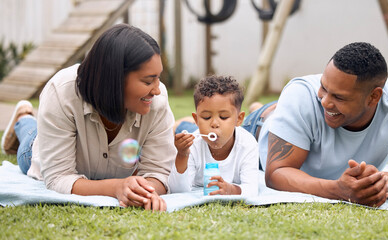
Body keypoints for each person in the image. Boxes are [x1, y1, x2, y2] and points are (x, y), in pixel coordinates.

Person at [0, 24, 176, 211]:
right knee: (29, 141)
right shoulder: (60, 93)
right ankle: (23, 116)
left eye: (158, 78)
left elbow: (158, 172)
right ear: (114, 78)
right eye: (148, 81)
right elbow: (58, 177)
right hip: (37, 152)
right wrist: (117, 187)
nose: (157, 90)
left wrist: (143, 192)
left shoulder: (158, 101)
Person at [251, 42, 388, 207]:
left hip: (298, 116)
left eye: (339, 97)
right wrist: (338, 190)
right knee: (259, 117)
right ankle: (263, 110)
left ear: (374, 97)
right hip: (257, 130)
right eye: (323, 87)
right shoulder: (301, 95)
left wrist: (378, 184)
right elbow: (276, 173)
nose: (325, 102)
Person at [168, 76, 259, 196]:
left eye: (223, 117)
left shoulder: (248, 144)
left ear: (239, 119)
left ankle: (256, 108)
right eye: (206, 117)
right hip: (191, 131)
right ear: (196, 119)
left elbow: (252, 188)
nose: (214, 124)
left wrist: (232, 190)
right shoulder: (192, 145)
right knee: (181, 129)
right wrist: (182, 155)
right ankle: (181, 124)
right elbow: (178, 191)